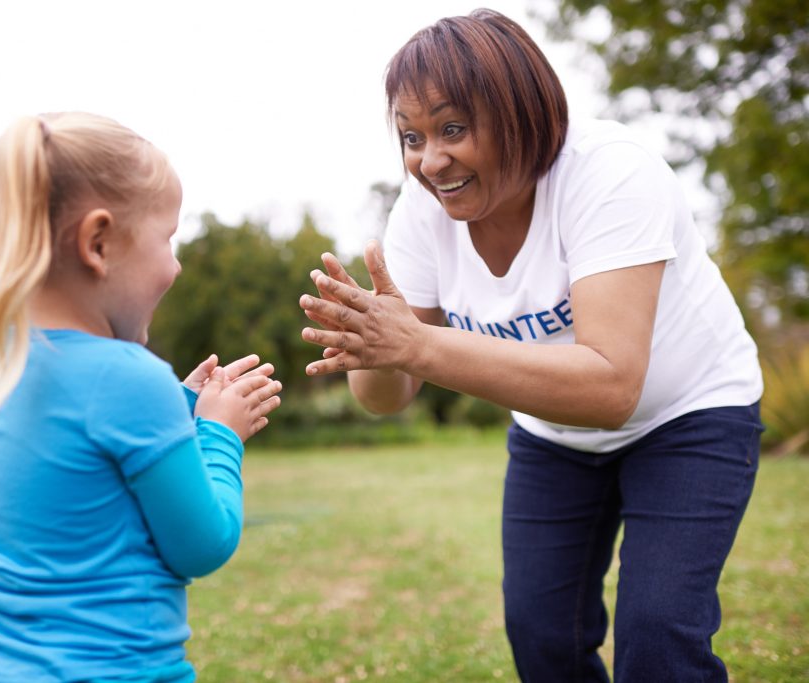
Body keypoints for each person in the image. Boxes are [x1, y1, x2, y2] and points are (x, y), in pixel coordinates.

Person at [299, 9, 763, 683]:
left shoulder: (609, 174)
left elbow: (611, 386)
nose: (431, 160)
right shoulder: (421, 214)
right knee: (542, 634)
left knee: (658, 636)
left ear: (521, 112)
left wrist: (419, 347)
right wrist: (377, 349)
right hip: (555, 438)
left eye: (453, 128)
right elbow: (387, 398)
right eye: (411, 136)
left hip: (688, 414)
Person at [0, 112, 283, 683]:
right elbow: (203, 546)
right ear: (98, 243)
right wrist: (220, 435)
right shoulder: (129, 377)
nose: (175, 265)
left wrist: (178, 408)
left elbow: (82, 468)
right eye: (168, 238)